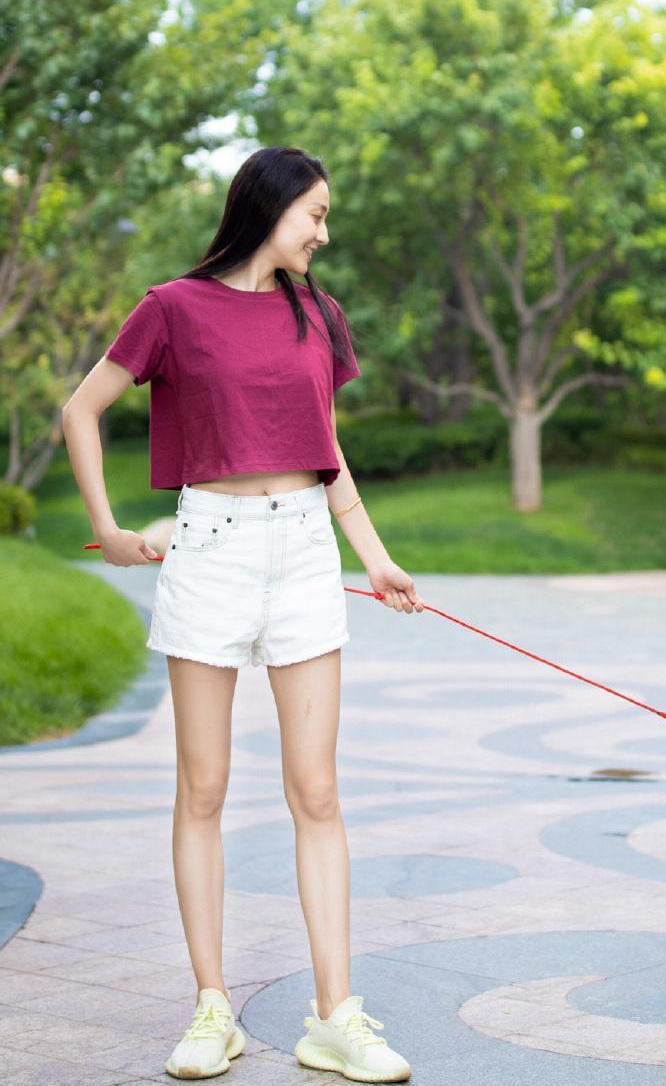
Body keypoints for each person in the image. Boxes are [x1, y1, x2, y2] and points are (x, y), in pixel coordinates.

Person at [62, 147, 421, 1082]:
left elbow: (326, 453)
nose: (324, 232)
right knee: (205, 789)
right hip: (208, 550)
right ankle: (211, 1008)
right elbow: (82, 409)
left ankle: (334, 1015)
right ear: (269, 209)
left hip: (303, 551)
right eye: (316, 214)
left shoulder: (319, 315)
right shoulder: (173, 308)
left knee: (318, 791)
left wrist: (374, 557)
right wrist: (106, 526)